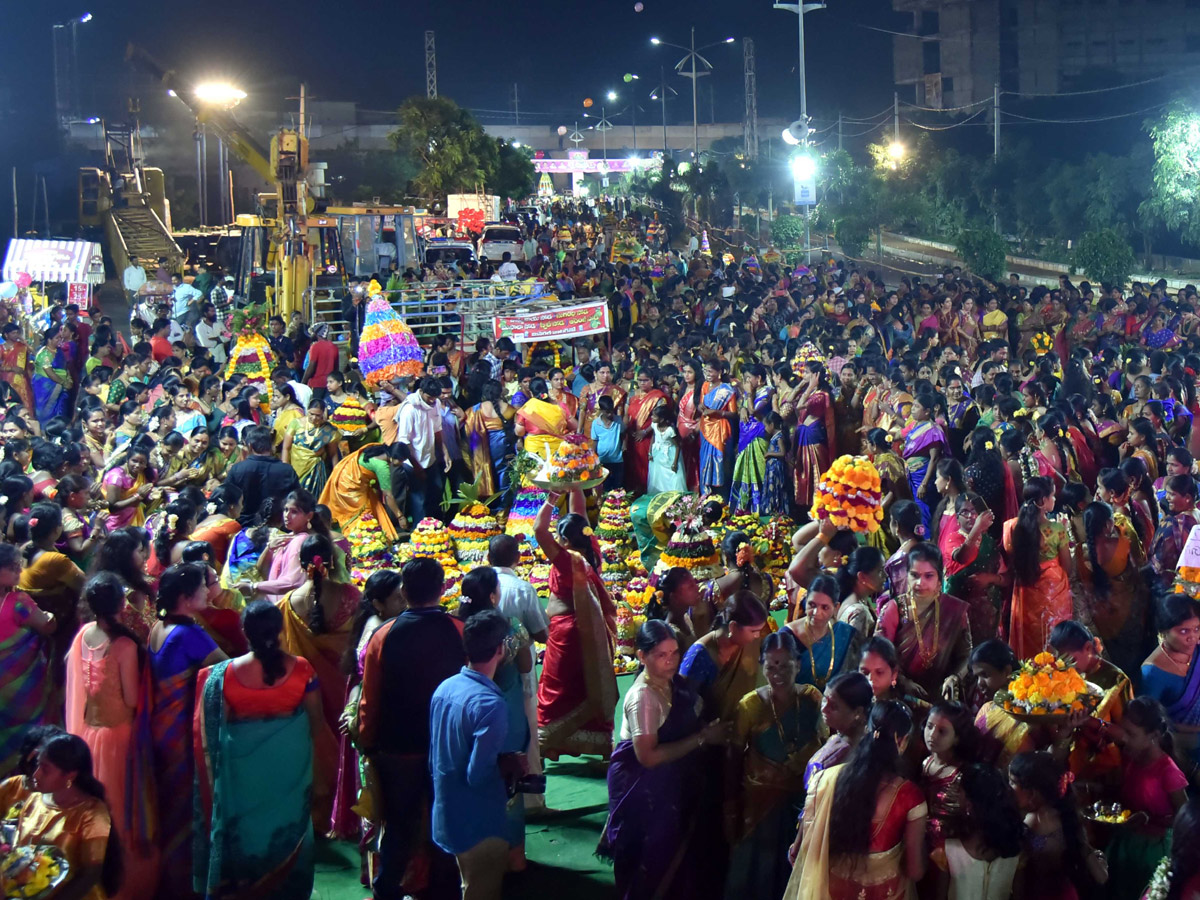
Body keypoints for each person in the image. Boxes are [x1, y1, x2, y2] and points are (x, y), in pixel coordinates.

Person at [194, 600, 324, 899]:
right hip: (291, 771)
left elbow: (215, 734)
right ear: (279, 631)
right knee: (290, 833)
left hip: (243, 779)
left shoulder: (223, 676)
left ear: (245, 631)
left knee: (249, 838)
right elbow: (316, 723)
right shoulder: (302, 670)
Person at [357, 558, 464, 900]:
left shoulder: (384, 636)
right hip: (447, 747)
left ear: (403, 592)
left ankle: (386, 891)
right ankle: (445, 890)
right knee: (444, 822)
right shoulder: (459, 630)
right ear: (443, 588)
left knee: (399, 827)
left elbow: (369, 699)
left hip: (397, 746)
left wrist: (367, 740)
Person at [597, 620, 728, 898]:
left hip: (671, 783)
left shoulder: (673, 684)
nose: (670, 662)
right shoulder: (643, 696)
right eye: (661, 655)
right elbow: (648, 757)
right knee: (649, 859)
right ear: (641, 656)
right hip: (642, 787)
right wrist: (702, 738)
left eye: (674, 654)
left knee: (676, 855)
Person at [66, 572, 159, 900]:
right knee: (123, 815)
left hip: (87, 736)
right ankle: (123, 886)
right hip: (120, 740)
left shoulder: (81, 636)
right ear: (120, 604)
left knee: (98, 812)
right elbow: (133, 700)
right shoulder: (123, 645)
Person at [783, 700, 927, 900]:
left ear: (868, 731)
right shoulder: (909, 796)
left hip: (831, 891)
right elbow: (914, 871)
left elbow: (800, 851)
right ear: (902, 741)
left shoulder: (825, 781)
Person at [726, 629, 826, 899]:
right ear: (762, 667)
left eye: (785, 664)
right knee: (757, 874)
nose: (778, 672)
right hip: (759, 806)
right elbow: (734, 758)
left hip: (801, 805)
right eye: (771, 666)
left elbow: (827, 747)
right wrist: (732, 805)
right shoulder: (749, 706)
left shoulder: (812, 699)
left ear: (799, 664)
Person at [147, 562, 227, 899]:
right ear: (184, 596)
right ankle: (184, 883)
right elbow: (228, 673)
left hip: (157, 729)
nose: (208, 592)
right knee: (186, 807)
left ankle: (164, 877)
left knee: (167, 804)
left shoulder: (156, 628)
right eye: (201, 587)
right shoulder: (192, 635)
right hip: (181, 732)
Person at [429, 608, 515, 900]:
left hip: (446, 813)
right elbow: (477, 775)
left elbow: (435, 756)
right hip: (479, 822)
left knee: (468, 884)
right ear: (501, 648)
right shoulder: (491, 704)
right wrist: (507, 765)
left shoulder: (445, 687)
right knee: (482, 890)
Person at [275, 533, 358, 834]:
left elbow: (283, 651)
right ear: (333, 561)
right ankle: (347, 814)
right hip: (344, 688)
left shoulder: (287, 604)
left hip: (307, 693)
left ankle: (318, 818)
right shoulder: (351, 596)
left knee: (315, 752)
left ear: (299, 563)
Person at [534, 488, 618, 759]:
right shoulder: (591, 551)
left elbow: (538, 530)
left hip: (567, 635)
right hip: (591, 634)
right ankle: (596, 741)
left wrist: (550, 498)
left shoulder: (566, 560)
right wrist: (575, 485)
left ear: (564, 540)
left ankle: (552, 742)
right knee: (586, 683)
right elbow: (579, 513)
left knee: (557, 689)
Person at [11, 733, 122, 900]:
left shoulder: (92, 812)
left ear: (69, 776)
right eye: (38, 765)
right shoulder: (34, 800)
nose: (36, 775)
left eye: (45, 769)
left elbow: (90, 874)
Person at [1103, 696, 1188, 900]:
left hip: (1152, 852)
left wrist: (1150, 819)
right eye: (1123, 730)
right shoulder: (1133, 758)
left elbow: (1185, 822)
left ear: (1154, 735)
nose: (1123, 738)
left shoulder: (1168, 773)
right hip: (1126, 843)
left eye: (1131, 734)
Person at [875, 543, 973, 700]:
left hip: (942, 696)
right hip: (900, 696)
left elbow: (966, 654)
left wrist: (955, 677)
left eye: (928, 576)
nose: (920, 583)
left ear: (940, 576)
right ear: (906, 575)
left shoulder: (954, 610)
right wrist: (903, 682)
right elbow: (879, 655)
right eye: (914, 575)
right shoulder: (894, 609)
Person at [1009, 750, 1108, 899]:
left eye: (1013, 782)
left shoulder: (1028, 825)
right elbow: (1101, 877)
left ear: (1033, 793)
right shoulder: (1068, 820)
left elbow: (1018, 889)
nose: (1008, 787)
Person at [0, 542, 55, 779]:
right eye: (12, 568)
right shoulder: (19, 602)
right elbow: (47, 626)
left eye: (18, 566)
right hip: (22, 696)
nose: (19, 572)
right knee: (26, 737)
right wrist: (53, 614)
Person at [1003, 476, 1072, 660]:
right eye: (1052, 496)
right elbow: (1068, 567)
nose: (1055, 500)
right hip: (1053, 588)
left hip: (1025, 589)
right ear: (1043, 501)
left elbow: (1013, 556)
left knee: (1030, 639)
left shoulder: (1012, 527)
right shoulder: (1057, 529)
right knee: (1053, 638)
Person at [680, 590, 769, 723]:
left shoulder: (750, 642)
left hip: (748, 725)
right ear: (733, 627)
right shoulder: (699, 656)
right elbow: (684, 708)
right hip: (713, 735)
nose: (757, 636)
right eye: (753, 631)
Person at [942, 764, 1023, 900]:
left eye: (959, 791)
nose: (955, 795)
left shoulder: (948, 849)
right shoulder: (1017, 848)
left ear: (969, 804)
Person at [1142, 594, 1200, 777]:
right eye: (1183, 631)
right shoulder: (1153, 672)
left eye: (1197, 629)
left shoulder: (1197, 650)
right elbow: (1153, 725)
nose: (1193, 638)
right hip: (1182, 740)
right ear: (1164, 632)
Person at [787, 573, 862, 690]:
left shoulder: (847, 635)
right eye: (812, 605)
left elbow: (853, 680)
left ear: (836, 608)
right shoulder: (787, 636)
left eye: (825, 607)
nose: (816, 613)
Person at [319, 441, 408, 540]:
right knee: (365, 514)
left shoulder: (377, 448)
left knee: (373, 506)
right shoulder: (382, 467)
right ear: (394, 457)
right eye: (401, 461)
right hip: (350, 487)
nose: (401, 464)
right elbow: (388, 495)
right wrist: (400, 516)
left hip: (348, 478)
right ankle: (358, 541)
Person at [394, 377, 450, 522]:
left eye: (434, 398)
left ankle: (437, 530)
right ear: (421, 391)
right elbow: (404, 443)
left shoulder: (436, 403)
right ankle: (419, 534)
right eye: (429, 397)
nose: (432, 401)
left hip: (430, 460)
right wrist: (417, 467)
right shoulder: (409, 409)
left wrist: (445, 453)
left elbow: (437, 430)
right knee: (419, 501)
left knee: (436, 495)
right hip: (413, 463)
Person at [226, 425, 301, 525]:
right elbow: (297, 499)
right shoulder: (287, 470)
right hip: (277, 527)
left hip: (243, 526)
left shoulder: (237, 469)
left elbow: (227, 499)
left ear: (250, 446)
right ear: (271, 446)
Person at [283, 399, 342, 495]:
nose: (314, 418)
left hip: (316, 470)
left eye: (318, 415)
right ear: (307, 410)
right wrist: (285, 467)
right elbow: (286, 448)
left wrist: (336, 474)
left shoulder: (328, 430)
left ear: (323, 413)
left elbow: (333, 454)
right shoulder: (296, 423)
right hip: (296, 467)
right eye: (311, 414)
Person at [623, 368, 667, 494]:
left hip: (649, 438)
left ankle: (647, 493)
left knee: (647, 467)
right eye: (640, 380)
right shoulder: (632, 395)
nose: (642, 383)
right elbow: (626, 414)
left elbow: (661, 417)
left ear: (652, 381)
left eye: (645, 380)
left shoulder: (658, 397)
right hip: (631, 437)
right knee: (632, 468)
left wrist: (645, 432)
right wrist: (626, 429)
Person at [647, 405, 687, 495]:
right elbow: (653, 438)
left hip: (670, 456)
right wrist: (650, 452)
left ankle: (673, 496)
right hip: (657, 454)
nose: (652, 417)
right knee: (658, 476)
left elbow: (678, 446)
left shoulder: (670, 431)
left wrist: (675, 463)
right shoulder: (654, 425)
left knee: (673, 476)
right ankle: (658, 494)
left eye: (654, 416)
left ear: (661, 419)